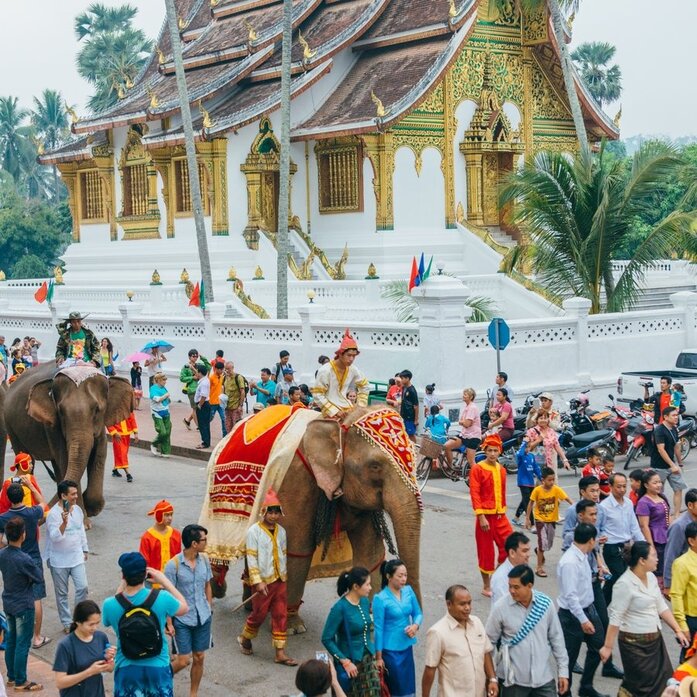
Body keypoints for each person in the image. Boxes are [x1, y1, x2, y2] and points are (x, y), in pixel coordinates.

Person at [599, 541, 688, 697]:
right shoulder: (624, 584)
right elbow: (616, 617)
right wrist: (607, 647)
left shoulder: (651, 578)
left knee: (664, 682)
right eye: (653, 555)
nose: (657, 558)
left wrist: (678, 630)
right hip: (633, 645)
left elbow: (661, 607)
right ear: (642, 560)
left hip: (655, 641)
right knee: (641, 687)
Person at [102, 552, 188, 697]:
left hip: (126, 667)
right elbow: (184, 607)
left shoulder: (110, 604)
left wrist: (123, 582)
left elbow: (108, 618)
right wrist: (165, 581)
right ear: (145, 575)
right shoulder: (162, 598)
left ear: (123, 575)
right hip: (158, 666)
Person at [486, 564, 569, 697]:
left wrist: (563, 672)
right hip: (513, 682)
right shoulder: (500, 607)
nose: (511, 591)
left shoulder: (545, 605)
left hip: (543, 680)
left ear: (529, 586)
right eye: (510, 586)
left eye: (516, 587)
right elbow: (488, 644)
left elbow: (557, 639)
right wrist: (492, 678)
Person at [239, 489, 297, 666]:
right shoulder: (253, 532)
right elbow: (251, 558)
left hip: (279, 581)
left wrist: (284, 577)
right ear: (263, 512)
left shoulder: (282, 532)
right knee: (259, 614)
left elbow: (283, 554)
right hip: (262, 582)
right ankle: (245, 638)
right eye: (270, 512)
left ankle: (280, 653)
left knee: (280, 614)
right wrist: (257, 581)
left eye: (276, 512)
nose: (273, 516)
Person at [556, 523, 607, 697]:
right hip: (572, 616)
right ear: (591, 540)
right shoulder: (570, 562)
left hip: (588, 608)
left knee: (598, 644)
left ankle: (586, 686)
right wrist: (583, 620)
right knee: (569, 659)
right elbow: (570, 596)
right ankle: (564, 693)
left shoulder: (583, 555)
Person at [422, 584, 497, 697]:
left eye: (469, 603)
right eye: (462, 604)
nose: (467, 608)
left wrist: (492, 679)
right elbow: (430, 670)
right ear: (449, 604)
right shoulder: (437, 632)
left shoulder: (476, 623)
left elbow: (485, 652)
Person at [0, 483, 49, 650]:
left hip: (12, 557)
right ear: (24, 495)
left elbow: (0, 542)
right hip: (32, 557)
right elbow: (43, 503)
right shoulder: (32, 513)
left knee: (14, 592)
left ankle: (15, 634)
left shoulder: (4, 518)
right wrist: (31, 485)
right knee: (36, 597)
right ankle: (36, 637)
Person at [165, 524, 213, 697]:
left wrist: (209, 606)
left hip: (203, 617)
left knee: (199, 656)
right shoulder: (173, 566)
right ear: (194, 543)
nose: (206, 543)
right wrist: (169, 623)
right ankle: (159, 680)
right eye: (204, 540)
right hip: (182, 619)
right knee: (183, 660)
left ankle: (193, 693)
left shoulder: (205, 560)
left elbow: (208, 585)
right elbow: (168, 596)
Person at [0, 517, 44, 692]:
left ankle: (11, 676)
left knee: (11, 639)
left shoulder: (2, 554)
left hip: (8, 601)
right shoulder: (24, 558)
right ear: (23, 535)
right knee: (23, 642)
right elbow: (38, 577)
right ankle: (21, 680)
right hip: (24, 604)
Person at [322, 567, 379, 696]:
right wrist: (344, 661)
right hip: (350, 662)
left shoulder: (364, 601)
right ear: (355, 586)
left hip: (368, 659)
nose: (370, 588)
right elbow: (326, 638)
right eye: (367, 584)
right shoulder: (339, 608)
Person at [470, 434, 513, 597]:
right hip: (485, 518)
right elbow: (474, 493)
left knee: (509, 545)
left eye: (496, 450)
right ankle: (486, 586)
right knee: (485, 551)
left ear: (500, 451)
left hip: (500, 516)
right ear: (485, 451)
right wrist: (481, 517)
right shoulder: (478, 468)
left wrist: (502, 510)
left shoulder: (501, 469)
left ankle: (498, 577)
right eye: (490, 450)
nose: (493, 453)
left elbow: (502, 492)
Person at [373, 559, 423, 697]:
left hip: (406, 647)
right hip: (390, 651)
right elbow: (378, 629)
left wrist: (415, 625)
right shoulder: (380, 598)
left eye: (405, 575)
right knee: (395, 688)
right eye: (400, 576)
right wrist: (378, 657)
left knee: (408, 686)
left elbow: (418, 613)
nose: (403, 579)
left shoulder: (408, 591)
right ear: (388, 576)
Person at [45, 480, 89, 634]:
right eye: (73, 494)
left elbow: (81, 531)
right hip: (59, 560)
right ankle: (66, 622)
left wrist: (85, 549)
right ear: (63, 495)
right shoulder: (52, 514)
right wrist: (63, 523)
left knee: (82, 587)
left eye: (76, 493)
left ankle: (78, 618)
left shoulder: (77, 510)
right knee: (62, 593)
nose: (76, 497)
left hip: (76, 557)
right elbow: (55, 538)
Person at [599, 472, 645, 605]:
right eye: (618, 487)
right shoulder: (604, 507)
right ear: (611, 486)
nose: (622, 490)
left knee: (625, 577)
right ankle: (602, 605)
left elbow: (634, 526)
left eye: (624, 486)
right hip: (612, 548)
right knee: (618, 576)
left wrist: (643, 545)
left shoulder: (629, 503)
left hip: (627, 547)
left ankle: (616, 605)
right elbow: (599, 529)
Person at [53, 599, 116, 697]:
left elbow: (110, 669)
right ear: (78, 622)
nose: (95, 628)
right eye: (91, 624)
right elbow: (60, 682)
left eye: (97, 623)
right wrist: (89, 672)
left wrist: (109, 660)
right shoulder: (65, 645)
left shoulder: (101, 637)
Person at [526, 467, 573, 578]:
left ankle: (538, 551)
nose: (552, 482)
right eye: (549, 480)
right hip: (540, 520)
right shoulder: (537, 490)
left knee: (549, 544)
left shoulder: (556, 489)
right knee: (543, 543)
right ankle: (539, 568)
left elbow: (567, 499)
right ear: (543, 480)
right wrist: (527, 518)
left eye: (553, 480)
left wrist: (577, 507)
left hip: (551, 520)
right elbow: (530, 504)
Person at [311, 330, 370, 418]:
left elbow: (365, 386)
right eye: (349, 355)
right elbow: (317, 394)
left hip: (348, 407)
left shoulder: (353, 369)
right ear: (340, 354)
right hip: (330, 411)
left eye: (354, 356)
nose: (351, 359)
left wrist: (360, 406)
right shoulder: (325, 370)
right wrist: (334, 411)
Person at [636, 469, 671, 585]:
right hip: (656, 540)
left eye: (659, 482)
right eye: (655, 483)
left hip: (667, 537)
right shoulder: (643, 502)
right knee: (659, 571)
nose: (659, 485)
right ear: (646, 485)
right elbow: (644, 526)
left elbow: (668, 516)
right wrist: (651, 547)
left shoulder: (662, 497)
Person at [651, 406, 687, 519]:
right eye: (673, 415)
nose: (676, 417)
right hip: (659, 466)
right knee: (658, 492)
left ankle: (676, 515)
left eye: (677, 415)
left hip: (672, 466)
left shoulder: (674, 429)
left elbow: (676, 446)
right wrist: (672, 465)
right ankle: (660, 516)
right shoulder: (659, 430)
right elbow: (661, 449)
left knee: (678, 488)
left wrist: (679, 463)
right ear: (665, 417)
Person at [664, 488, 697, 597]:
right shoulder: (679, 526)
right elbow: (670, 555)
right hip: (686, 576)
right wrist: (668, 585)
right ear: (690, 505)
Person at [670, 522, 697, 653]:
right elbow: (676, 595)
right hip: (693, 620)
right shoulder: (682, 564)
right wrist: (682, 626)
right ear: (691, 541)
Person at [139, 500, 182, 573]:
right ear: (159, 515)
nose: (170, 518)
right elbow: (144, 560)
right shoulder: (147, 537)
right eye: (167, 515)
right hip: (153, 580)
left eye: (171, 514)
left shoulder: (176, 534)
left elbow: (179, 557)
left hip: (172, 578)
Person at [489, 532, 531, 606]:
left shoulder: (523, 569)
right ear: (512, 553)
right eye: (524, 551)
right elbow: (503, 608)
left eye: (528, 550)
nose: (528, 555)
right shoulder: (500, 578)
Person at [444, 388, 481, 469]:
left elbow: (467, 424)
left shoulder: (472, 408)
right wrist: (462, 422)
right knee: (447, 446)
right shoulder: (467, 406)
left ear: (471, 397)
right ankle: (450, 467)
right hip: (464, 435)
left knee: (471, 461)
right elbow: (462, 421)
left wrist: (461, 422)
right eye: (463, 394)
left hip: (473, 437)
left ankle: (478, 477)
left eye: (465, 394)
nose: (463, 396)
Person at [511, 443, 542, 528]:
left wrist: (541, 477)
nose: (527, 449)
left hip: (530, 482)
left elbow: (535, 468)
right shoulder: (520, 456)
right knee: (528, 502)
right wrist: (524, 443)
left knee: (525, 501)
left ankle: (516, 518)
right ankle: (532, 524)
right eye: (525, 447)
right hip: (523, 482)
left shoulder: (531, 456)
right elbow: (520, 453)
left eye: (528, 447)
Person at [107, 412, 138, 482]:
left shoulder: (127, 408)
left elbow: (132, 419)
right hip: (118, 436)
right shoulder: (113, 408)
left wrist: (136, 433)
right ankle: (128, 474)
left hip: (127, 434)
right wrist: (114, 432)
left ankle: (115, 470)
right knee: (122, 453)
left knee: (123, 453)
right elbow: (108, 421)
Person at [180, 349, 205, 428]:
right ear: (189, 357)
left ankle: (187, 420)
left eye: (196, 356)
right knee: (195, 408)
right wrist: (192, 377)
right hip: (192, 389)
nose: (195, 358)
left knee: (199, 407)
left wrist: (203, 358)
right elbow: (182, 378)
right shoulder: (186, 367)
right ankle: (199, 426)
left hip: (200, 389)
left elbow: (207, 368)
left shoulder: (198, 365)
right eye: (193, 356)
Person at [149, 372, 172, 457]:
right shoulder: (153, 388)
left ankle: (165, 452)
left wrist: (168, 399)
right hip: (157, 413)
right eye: (163, 380)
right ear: (158, 380)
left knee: (168, 432)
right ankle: (154, 443)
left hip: (166, 412)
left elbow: (166, 400)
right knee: (163, 432)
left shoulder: (164, 388)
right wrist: (166, 396)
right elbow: (157, 399)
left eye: (165, 380)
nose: (165, 382)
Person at [222, 361, 247, 433]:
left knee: (236, 428)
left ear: (233, 368)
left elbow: (242, 392)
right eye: (225, 369)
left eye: (228, 369)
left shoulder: (238, 377)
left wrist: (240, 405)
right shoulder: (225, 378)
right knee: (228, 428)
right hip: (227, 407)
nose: (227, 371)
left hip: (236, 407)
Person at [194, 363, 211, 449]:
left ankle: (205, 442)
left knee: (202, 424)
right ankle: (206, 441)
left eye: (197, 371)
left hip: (203, 404)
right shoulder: (204, 380)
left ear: (200, 373)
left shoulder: (204, 383)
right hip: (204, 404)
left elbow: (203, 395)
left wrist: (200, 405)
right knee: (205, 424)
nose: (196, 373)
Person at [399, 370, 419, 442]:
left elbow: (416, 406)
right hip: (403, 415)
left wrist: (416, 419)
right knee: (404, 432)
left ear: (407, 378)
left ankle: (414, 449)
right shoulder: (404, 387)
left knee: (411, 434)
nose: (401, 380)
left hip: (410, 417)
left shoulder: (412, 390)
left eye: (402, 378)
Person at [208, 361, 227, 439]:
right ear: (216, 369)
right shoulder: (211, 378)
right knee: (209, 418)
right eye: (221, 369)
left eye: (223, 369)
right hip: (212, 402)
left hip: (220, 402)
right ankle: (204, 429)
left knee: (224, 418)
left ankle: (225, 435)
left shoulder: (221, 376)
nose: (222, 371)